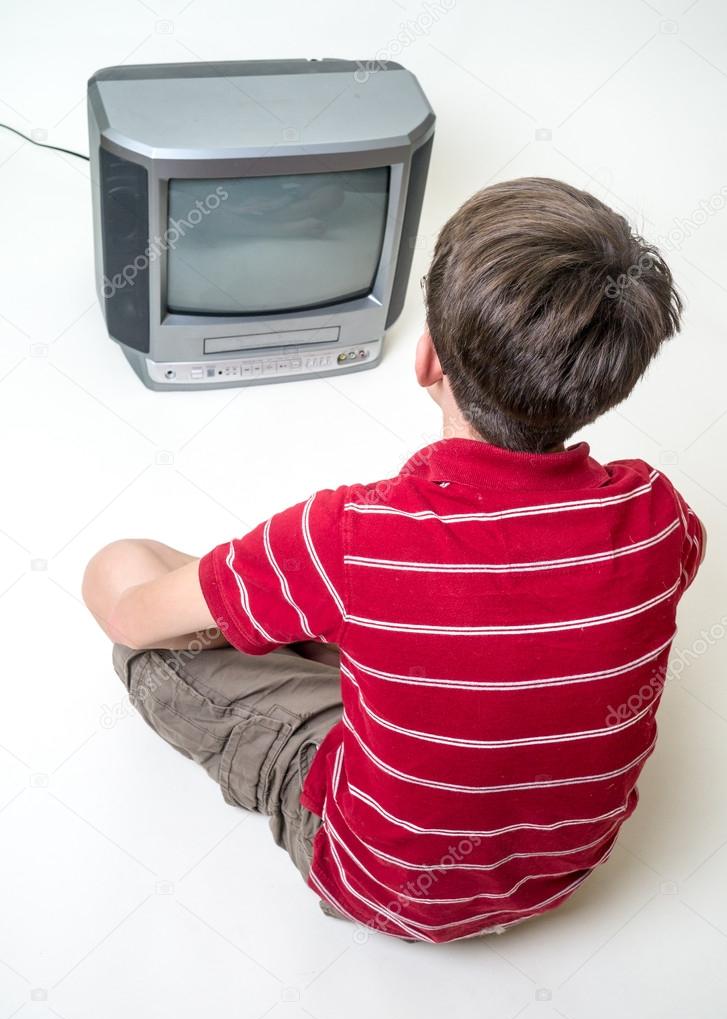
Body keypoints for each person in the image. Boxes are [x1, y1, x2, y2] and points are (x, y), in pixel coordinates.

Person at [82, 177, 706, 944]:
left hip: (387, 888)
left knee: (133, 612)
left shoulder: (346, 534)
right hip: (561, 874)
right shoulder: (658, 515)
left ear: (426, 360)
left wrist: (224, 586)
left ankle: (260, 616)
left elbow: (132, 615)